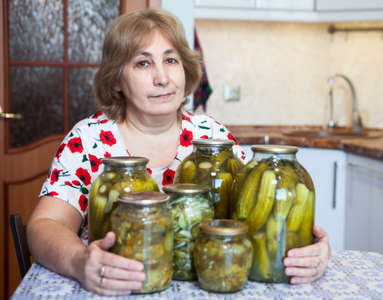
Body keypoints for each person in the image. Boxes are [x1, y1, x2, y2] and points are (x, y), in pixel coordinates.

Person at [27, 8, 330, 296]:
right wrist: (80, 263)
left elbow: (257, 222)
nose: (162, 78)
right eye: (143, 63)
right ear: (117, 79)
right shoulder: (89, 139)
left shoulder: (212, 136)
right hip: (119, 288)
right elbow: (44, 226)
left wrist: (311, 249)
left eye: (170, 60)